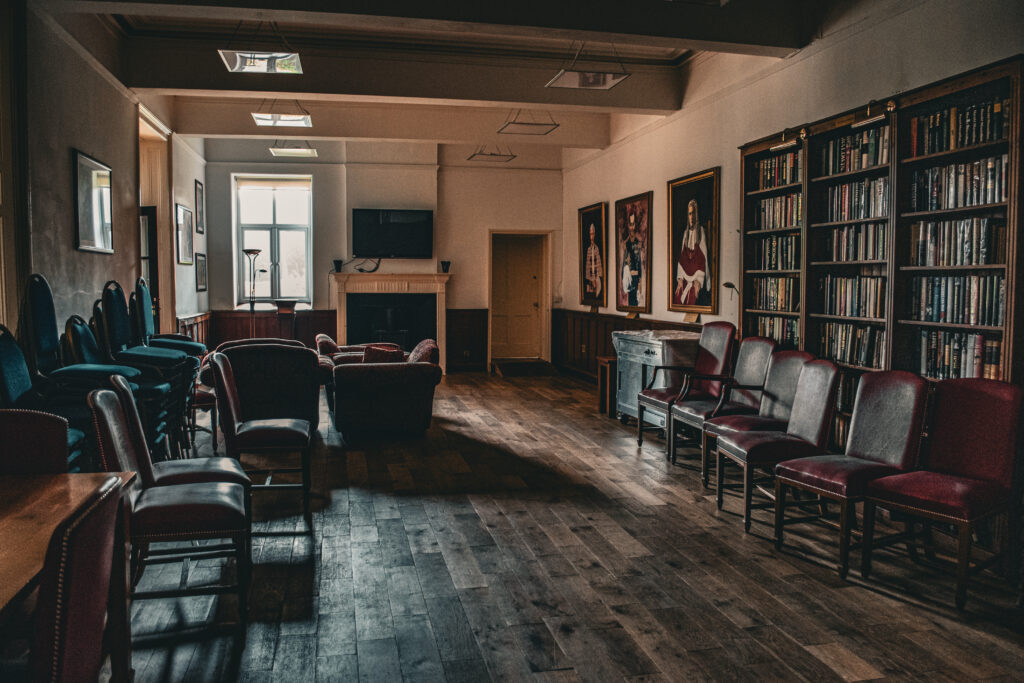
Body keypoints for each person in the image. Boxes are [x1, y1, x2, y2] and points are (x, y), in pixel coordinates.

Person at [674, 198, 711, 307]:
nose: (692, 217)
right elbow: (682, 257)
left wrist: (699, 280)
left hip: (696, 277)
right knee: (678, 296)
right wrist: (680, 278)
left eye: (693, 213)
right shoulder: (685, 234)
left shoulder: (701, 232)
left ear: (696, 214)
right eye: (690, 214)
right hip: (685, 275)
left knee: (693, 298)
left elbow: (703, 257)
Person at [621, 211, 644, 307]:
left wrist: (640, 280)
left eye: (633, 224)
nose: (632, 227)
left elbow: (640, 262)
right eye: (630, 225)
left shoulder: (638, 243)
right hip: (628, 278)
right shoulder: (626, 244)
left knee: (636, 303)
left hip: (636, 277)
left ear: (635, 225)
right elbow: (624, 262)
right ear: (628, 225)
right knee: (630, 303)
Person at [584, 223, 603, 299]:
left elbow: (598, 264)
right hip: (590, 276)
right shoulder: (589, 249)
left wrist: (595, 277)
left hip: (596, 276)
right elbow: (588, 265)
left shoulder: (596, 248)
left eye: (593, 234)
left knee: (598, 289)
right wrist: (591, 278)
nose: (591, 236)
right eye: (590, 234)